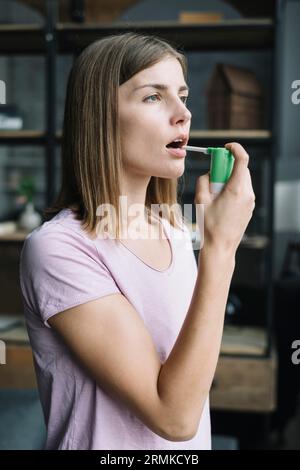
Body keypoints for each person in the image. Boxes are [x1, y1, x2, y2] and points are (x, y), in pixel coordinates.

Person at [19, 32, 255, 450]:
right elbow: (175, 417)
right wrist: (220, 248)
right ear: (100, 116)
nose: (183, 114)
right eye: (153, 97)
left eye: (183, 96)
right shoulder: (59, 250)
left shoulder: (176, 230)